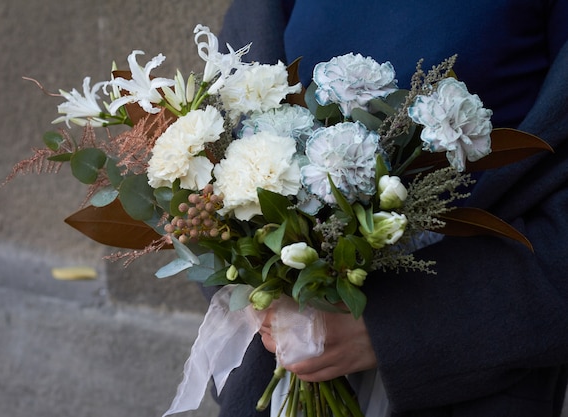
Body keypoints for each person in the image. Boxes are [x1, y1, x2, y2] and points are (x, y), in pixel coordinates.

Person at [209, 1, 568, 416]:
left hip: (465, 383)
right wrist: (264, 290)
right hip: (282, 371)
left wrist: (391, 326)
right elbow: (212, 160)